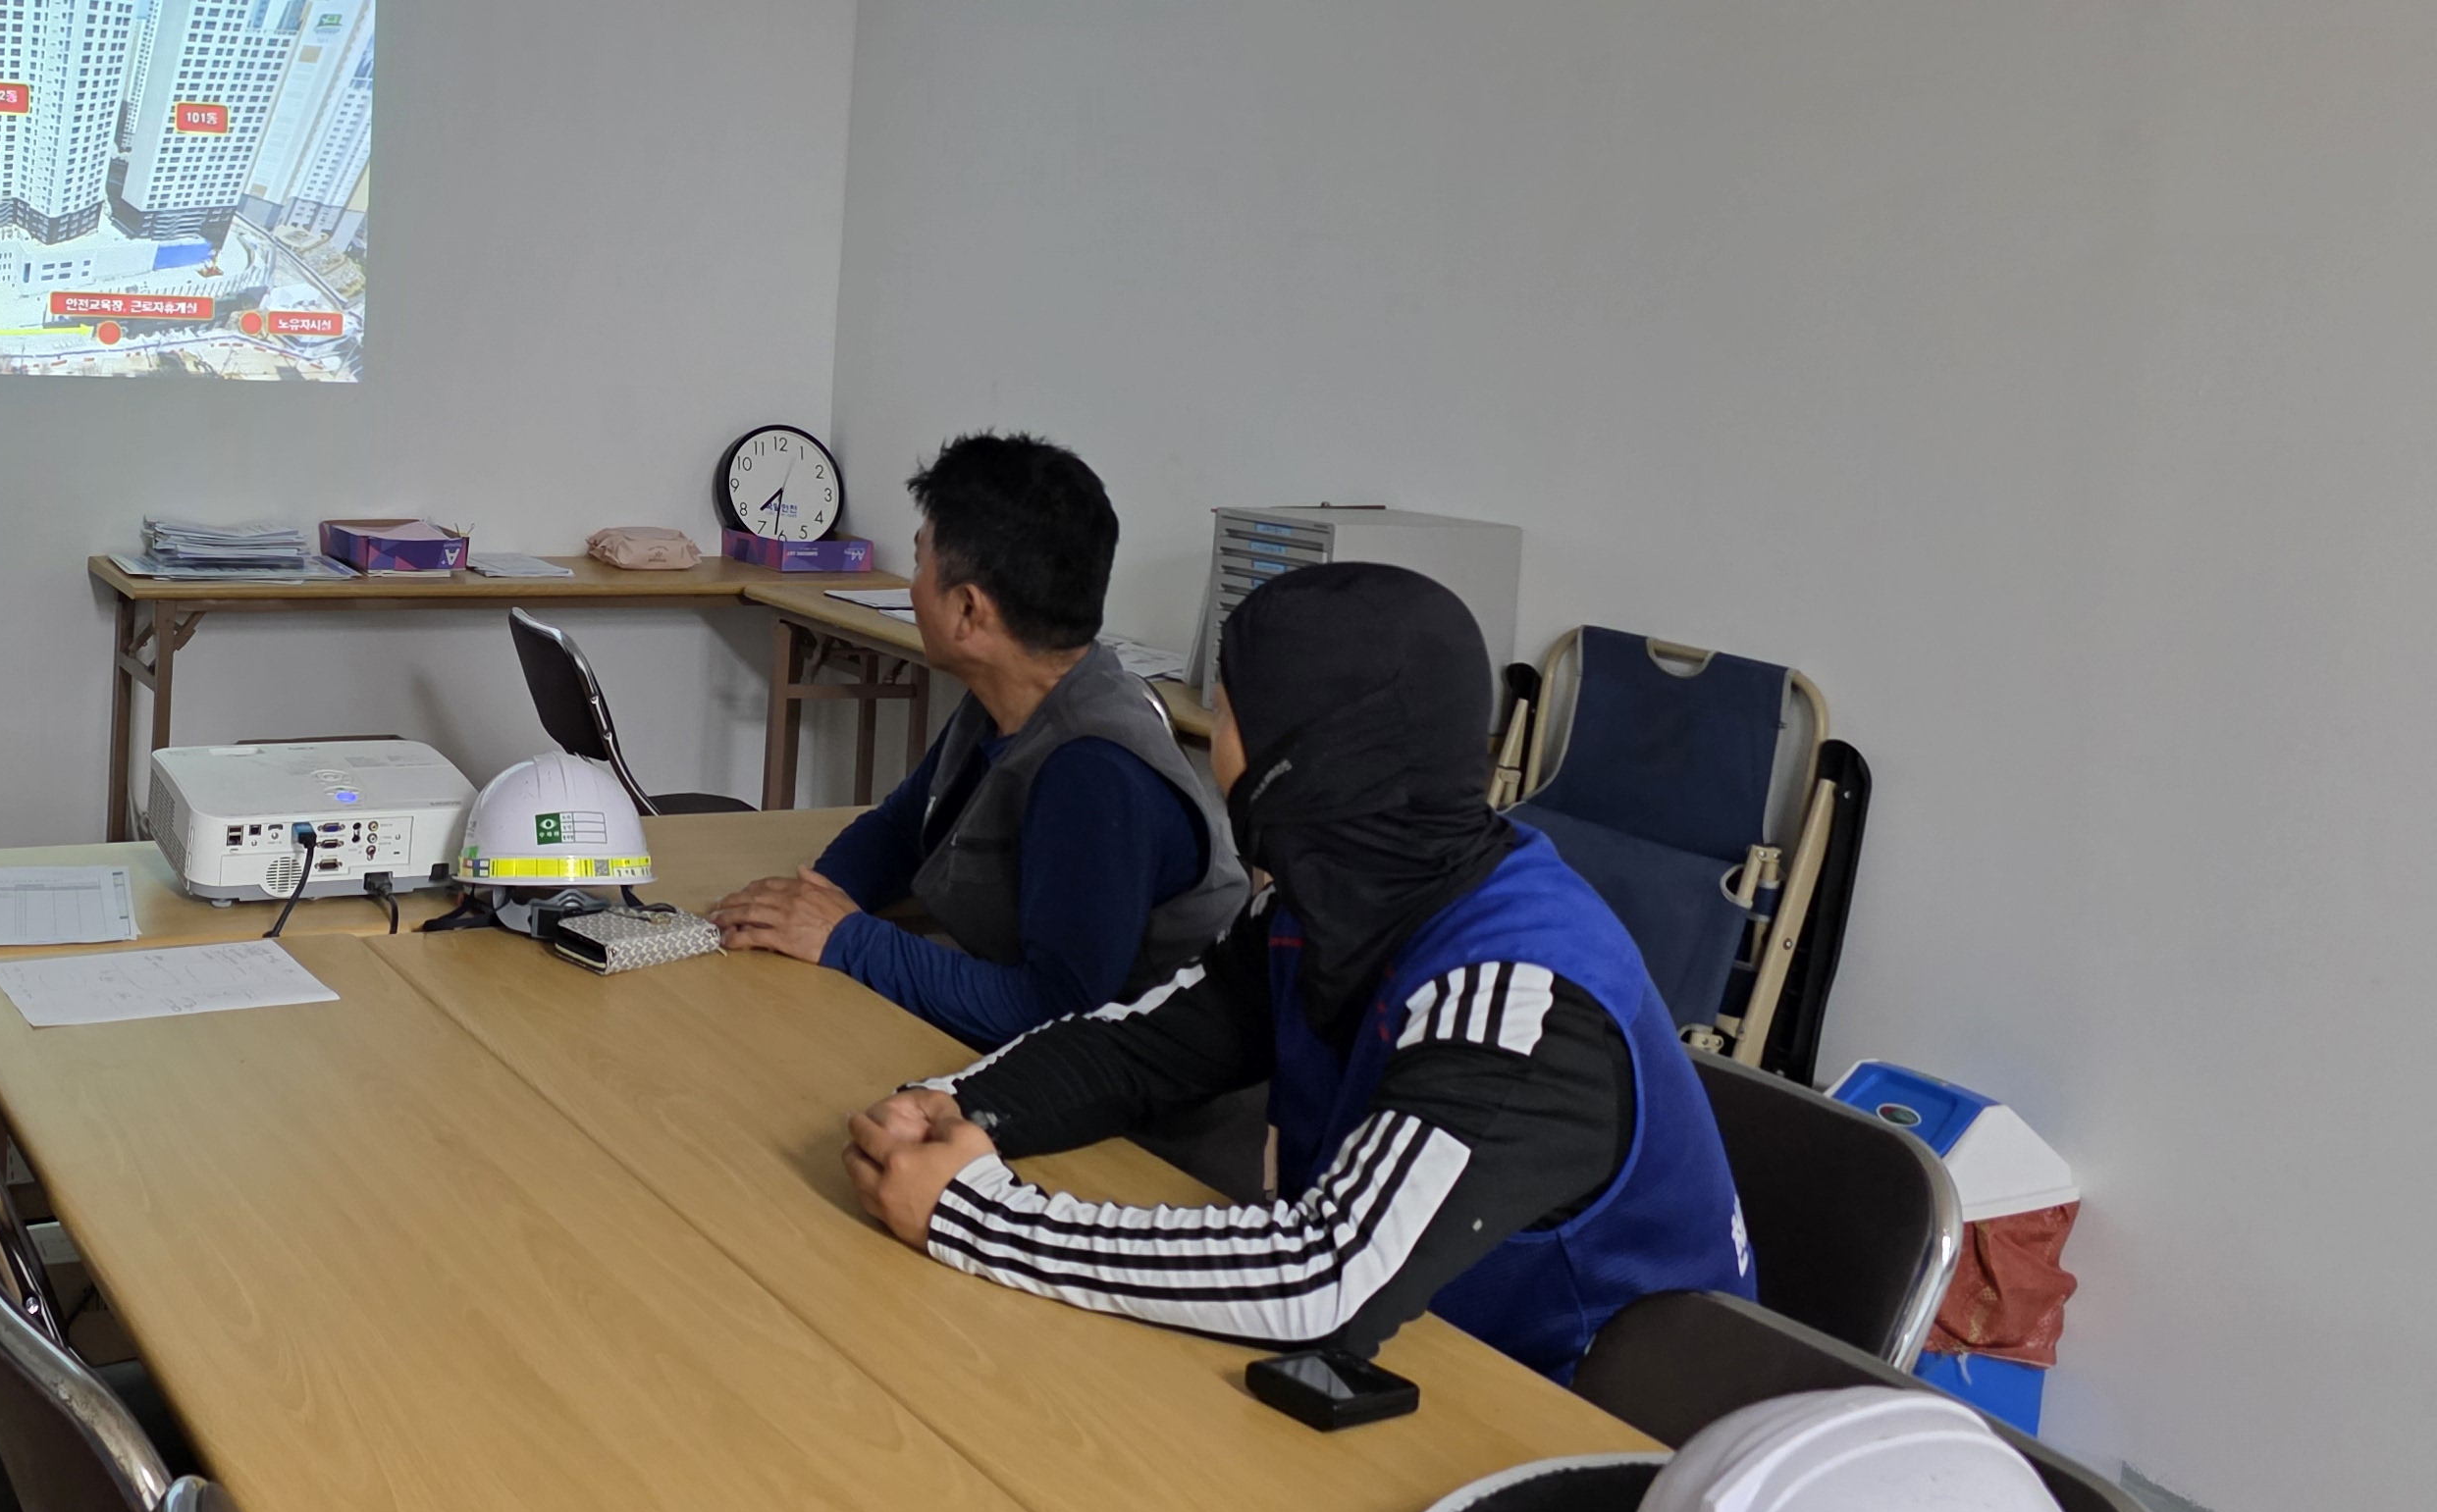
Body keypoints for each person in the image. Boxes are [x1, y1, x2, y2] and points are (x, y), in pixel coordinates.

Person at [837, 561, 1752, 1379]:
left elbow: (1327, 1274)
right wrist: (952, 1108)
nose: (1216, 748)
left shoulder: (1520, 995)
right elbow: (1141, 1051)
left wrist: (978, 1218)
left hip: (1582, 1421)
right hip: (1422, 1347)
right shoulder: (1328, 908)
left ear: (1296, 763)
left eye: (1230, 716)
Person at [710, 434, 1245, 1049]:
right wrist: (813, 901)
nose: (912, 588)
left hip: (1155, 1088)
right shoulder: (1008, 700)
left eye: (920, 565)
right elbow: (904, 829)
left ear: (968, 611)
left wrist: (845, 937)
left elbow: (1052, 1010)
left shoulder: (1094, 771)